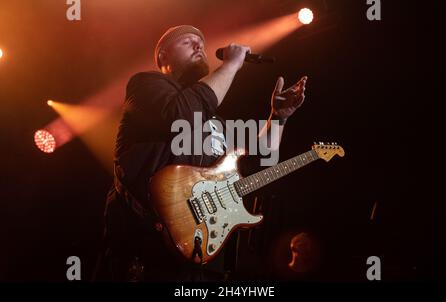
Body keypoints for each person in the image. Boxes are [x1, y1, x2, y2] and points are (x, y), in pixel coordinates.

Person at [95, 25, 308, 281]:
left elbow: (255, 166)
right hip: (142, 251)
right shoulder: (146, 85)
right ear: (163, 56)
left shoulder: (214, 123)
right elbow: (179, 113)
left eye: (200, 42)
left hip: (193, 260)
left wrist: (278, 118)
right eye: (187, 42)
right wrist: (231, 65)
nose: (199, 46)